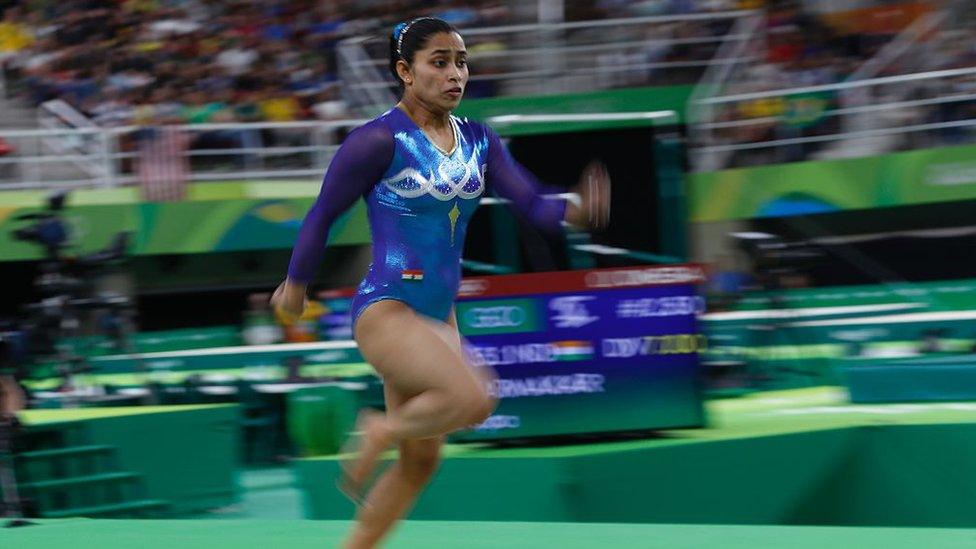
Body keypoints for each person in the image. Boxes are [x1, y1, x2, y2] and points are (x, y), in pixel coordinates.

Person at [271, 17, 610, 549]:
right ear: (405, 71)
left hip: (437, 314)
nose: (456, 73)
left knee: (420, 463)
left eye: (461, 61)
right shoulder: (377, 141)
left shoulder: (479, 139)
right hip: (386, 307)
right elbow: (322, 214)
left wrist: (575, 207)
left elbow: (533, 205)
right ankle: (377, 429)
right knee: (476, 396)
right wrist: (296, 283)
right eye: (439, 62)